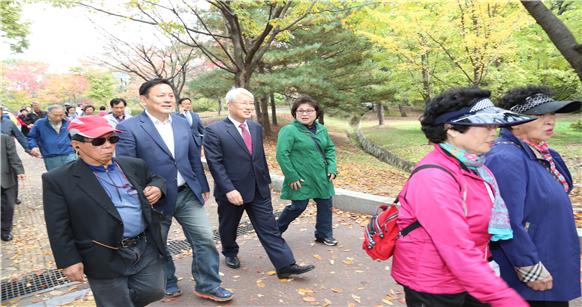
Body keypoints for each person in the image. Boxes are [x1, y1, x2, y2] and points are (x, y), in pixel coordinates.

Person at [391, 87, 534, 306]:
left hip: (469, 275)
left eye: (494, 125)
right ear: (452, 130)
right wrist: (506, 299)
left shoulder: (475, 167)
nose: (493, 132)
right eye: (485, 125)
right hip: (434, 284)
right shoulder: (435, 177)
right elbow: (456, 247)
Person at [116, 79, 233, 302]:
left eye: (170, 94)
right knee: (158, 244)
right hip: (155, 199)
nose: (168, 99)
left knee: (205, 238)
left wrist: (202, 184)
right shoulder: (128, 128)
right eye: (161, 95)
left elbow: (192, 156)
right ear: (143, 100)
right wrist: (145, 191)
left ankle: (208, 284)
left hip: (187, 192)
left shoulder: (181, 121)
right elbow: (127, 167)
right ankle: (167, 281)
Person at [43, 115, 166, 307]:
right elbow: (57, 225)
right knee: (115, 303)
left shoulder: (132, 165)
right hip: (103, 254)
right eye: (99, 141)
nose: (108, 145)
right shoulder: (58, 180)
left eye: (112, 139)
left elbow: (155, 178)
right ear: (77, 144)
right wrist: (68, 261)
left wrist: (158, 188)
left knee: (154, 290)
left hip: (144, 246)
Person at [204, 87, 315, 279]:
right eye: (243, 103)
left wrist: (266, 181)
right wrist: (229, 189)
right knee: (229, 225)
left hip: (258, 189)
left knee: (270, 227)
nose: (248, 107)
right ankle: (230, 252)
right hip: (232, 191)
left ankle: (285, 265)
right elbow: (215, 164)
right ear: (230, 105)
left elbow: (258, 158)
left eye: (251, 103)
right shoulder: (214, 130)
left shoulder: (255, 128)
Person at [485, 86, 581, 306]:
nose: (550, 121)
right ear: (515, 121)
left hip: (550, 259)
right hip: (530, 275)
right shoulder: (506, 157)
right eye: (539, 115)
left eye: (552, 114)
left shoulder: (543, 153)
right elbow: (505, 221)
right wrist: (528, 266)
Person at [276, 95, 338, 246]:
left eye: (309, 110)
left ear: (316, 113)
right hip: (300, 177)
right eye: (300, 111)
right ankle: (274, 231)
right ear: (295, 113)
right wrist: (292, 176)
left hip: (321, 176)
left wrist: (332, 167)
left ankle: (324, 235)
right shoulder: (289, 130)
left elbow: (329, 148)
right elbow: (282, 155)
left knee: (325, 204)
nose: (305, 114)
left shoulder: (322, 129)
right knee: (298, 206)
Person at [27, 104, 76, 171]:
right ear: (48, 114)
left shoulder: (68, 122)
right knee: (56, 177)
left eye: (61, 115)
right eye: (55, 115)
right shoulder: (40, 123)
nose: (58, 118)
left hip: (69, 154)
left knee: (72, 175)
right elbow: (32, 137)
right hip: (51, 155)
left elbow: (75, 137)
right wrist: (33, 146)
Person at [1, 134, 25, 241]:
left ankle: (5, 230)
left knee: (8, 206)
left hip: (6, 177)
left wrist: (19, 171)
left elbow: (13, 155)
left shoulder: (5, 138)